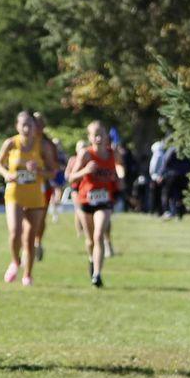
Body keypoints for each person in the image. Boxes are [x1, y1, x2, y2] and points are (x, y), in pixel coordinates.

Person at [0, 111, 52, 286]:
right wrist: (6, 174)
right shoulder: (11, 143)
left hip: (35, 195)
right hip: (15, 193)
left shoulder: (43, 146)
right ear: (17, 127)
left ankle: (28, 274)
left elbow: (52, 172)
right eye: (23, 125)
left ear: (35, 127)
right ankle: (15, 262)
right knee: (15, 232)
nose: (27, 129)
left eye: (30, 125)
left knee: (30, 238)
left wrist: (39, 171)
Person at [70, 120, 123, 288]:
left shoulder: (113, 153)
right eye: (95, 135)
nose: (99, 138)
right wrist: (86, 170)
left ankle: (97, 274)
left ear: (106, 136)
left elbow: (119, 168)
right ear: (90, 137)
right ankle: (91, 259)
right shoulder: (86, 154)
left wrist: (120, 178)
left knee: (98, 235)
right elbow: (71, 178)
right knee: (90, 240)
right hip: (86, 200)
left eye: (101, 134)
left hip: (104, 200)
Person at [30, 112, 59, 261]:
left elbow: (55, 168)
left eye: (40, 124)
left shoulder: (48, 144)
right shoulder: (22, 142)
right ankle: (28, 247)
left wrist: (40, 170)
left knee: (40, 218)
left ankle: (37, 242)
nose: (37, 127)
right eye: (35, 123)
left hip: (44, 185)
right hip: (25, 186)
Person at [65, 140, 88, 238]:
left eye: (84, 147)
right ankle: (80, 231)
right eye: (80, 147)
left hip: (86, 188)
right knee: (78, 209)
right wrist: (70, 177)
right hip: (75, 187)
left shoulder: (88, 159)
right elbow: (67, 173)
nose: (82, 149)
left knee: (83, 210)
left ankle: (85, 229)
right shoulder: (72, 159)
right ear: (76, 149)